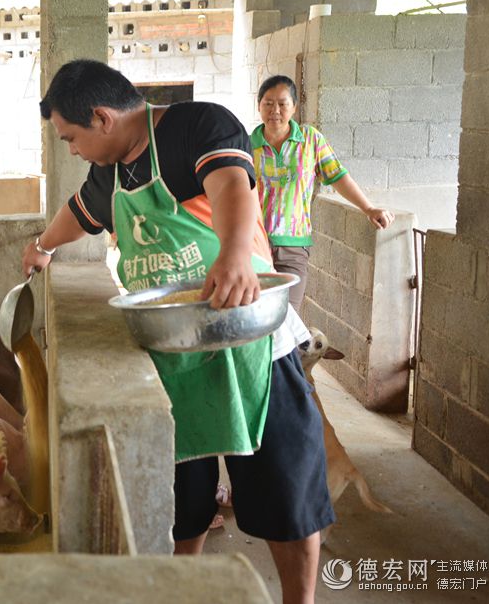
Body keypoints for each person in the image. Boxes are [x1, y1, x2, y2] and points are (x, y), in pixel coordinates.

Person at [23, 60, 333, 604]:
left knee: (287, 492)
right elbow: (80, 213)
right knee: (181, 500)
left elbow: (232, 185)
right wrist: (44, 245)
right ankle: (179, 591)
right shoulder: (109, 173)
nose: (71, 150)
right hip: (175, 356)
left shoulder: (197, 127)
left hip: (252, 342)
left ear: (101, 118)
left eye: (71, 138)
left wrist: (236, 254)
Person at [252, 74, 394, 312]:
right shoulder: (247, 145)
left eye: (282, 103)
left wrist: (368, 208)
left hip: (293, 247)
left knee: (287, 319)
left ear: (294, 107)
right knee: (256, 315)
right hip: (254, 246)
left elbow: (337, 176)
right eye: (268, 103)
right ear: (259, 106)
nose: (275, 110)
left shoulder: (310, 140)